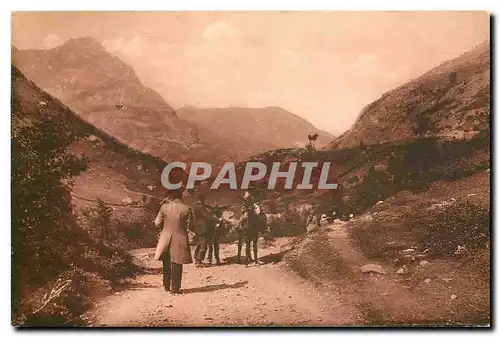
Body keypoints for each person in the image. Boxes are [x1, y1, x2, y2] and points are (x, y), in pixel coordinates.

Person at [153, 188, 193, 294]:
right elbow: (190, 225)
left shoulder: (164, 207)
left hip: (165, 236)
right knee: (177, 262)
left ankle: (166, 285)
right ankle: (175, 288)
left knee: (166, 261)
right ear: (180, 196)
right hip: (180, 236)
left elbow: (157, 223)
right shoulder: (187, 209)